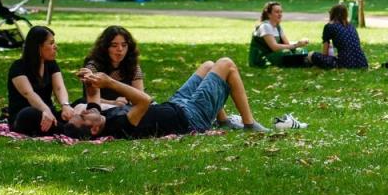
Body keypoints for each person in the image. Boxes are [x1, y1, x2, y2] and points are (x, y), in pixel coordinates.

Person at [66, 57, 269, 138]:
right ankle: (250, 124)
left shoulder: (98, 116)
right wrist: (110, 82)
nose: (83, 111)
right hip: (190, 118)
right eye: (83, 117)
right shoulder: (117, 126)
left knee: (208, 65)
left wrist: (88, 77)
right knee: (226, 64)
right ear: (94, 129)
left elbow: (92, 96)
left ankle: (223, 121)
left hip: (176, 105)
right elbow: (144, 100)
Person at [7, 26, 74, 135]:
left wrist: (65, 105)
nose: (55, 47)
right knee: (28, 113)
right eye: (51, 43)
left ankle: (65, 128)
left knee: (79, 104)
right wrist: (45, 110)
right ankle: (68, 130)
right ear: (38, 47)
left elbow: (59, 87)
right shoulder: (18, 67)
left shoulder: (51, 64)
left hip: (49, 113)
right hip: (25, 115)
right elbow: (28, 93)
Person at [81, 26, 145, 108]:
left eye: (124, 45)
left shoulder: (132, 65)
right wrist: (113, 103)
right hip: (101, 109)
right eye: (114, 45)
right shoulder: (93, 67)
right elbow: (89, 98)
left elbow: (141, 96)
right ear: (105, 47)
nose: (120, 49)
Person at [248, 1, 311, 67]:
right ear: (269, 14)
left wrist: (300, 43)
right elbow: (274, 47)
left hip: (273, 54)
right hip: (262, 58)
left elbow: (287, 44)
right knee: (286, 53)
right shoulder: (265, 26)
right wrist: (296, 45)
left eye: (281, 12)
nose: (280, 14)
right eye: (277, 12)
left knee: (300, 50)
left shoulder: (277, 27)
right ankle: (303, 62)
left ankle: (304, 61)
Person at [309, 4, 369, 69]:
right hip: (362, 63)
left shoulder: (330, 26)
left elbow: (325, 54)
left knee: (311, 54)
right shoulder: (351, 26)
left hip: (345, 64)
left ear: (332, 14)